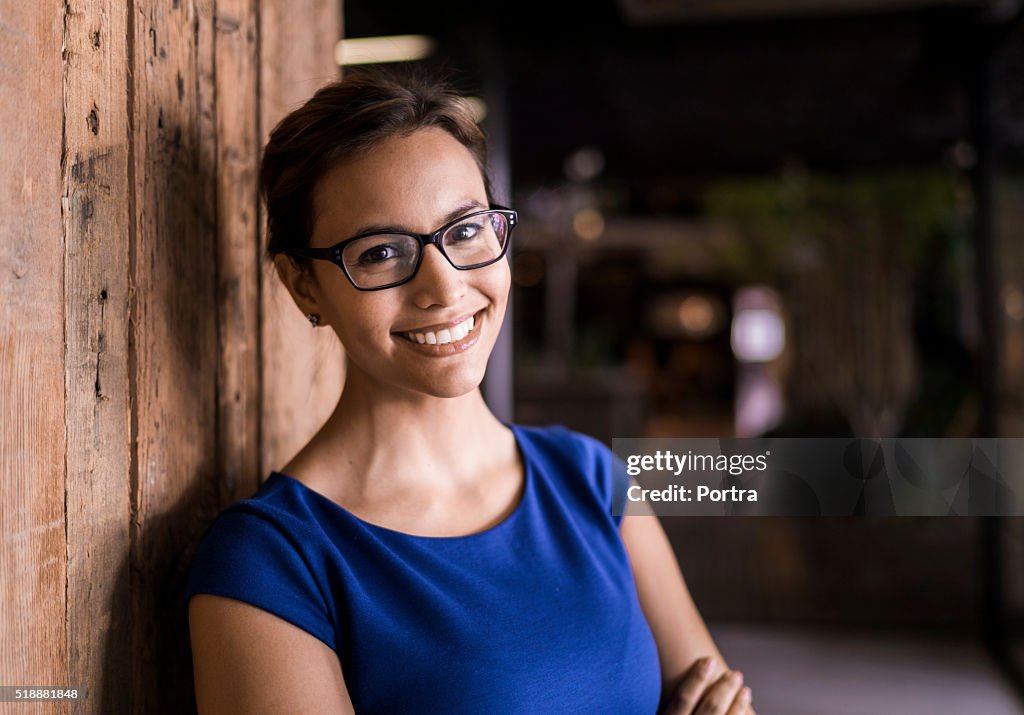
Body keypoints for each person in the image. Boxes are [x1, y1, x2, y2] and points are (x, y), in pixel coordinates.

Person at [184, 69, 755, 715]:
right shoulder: (272, 562)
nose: (445, 287)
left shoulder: (592, 481)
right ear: (303, 286)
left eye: (464, 231)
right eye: (380, 252)